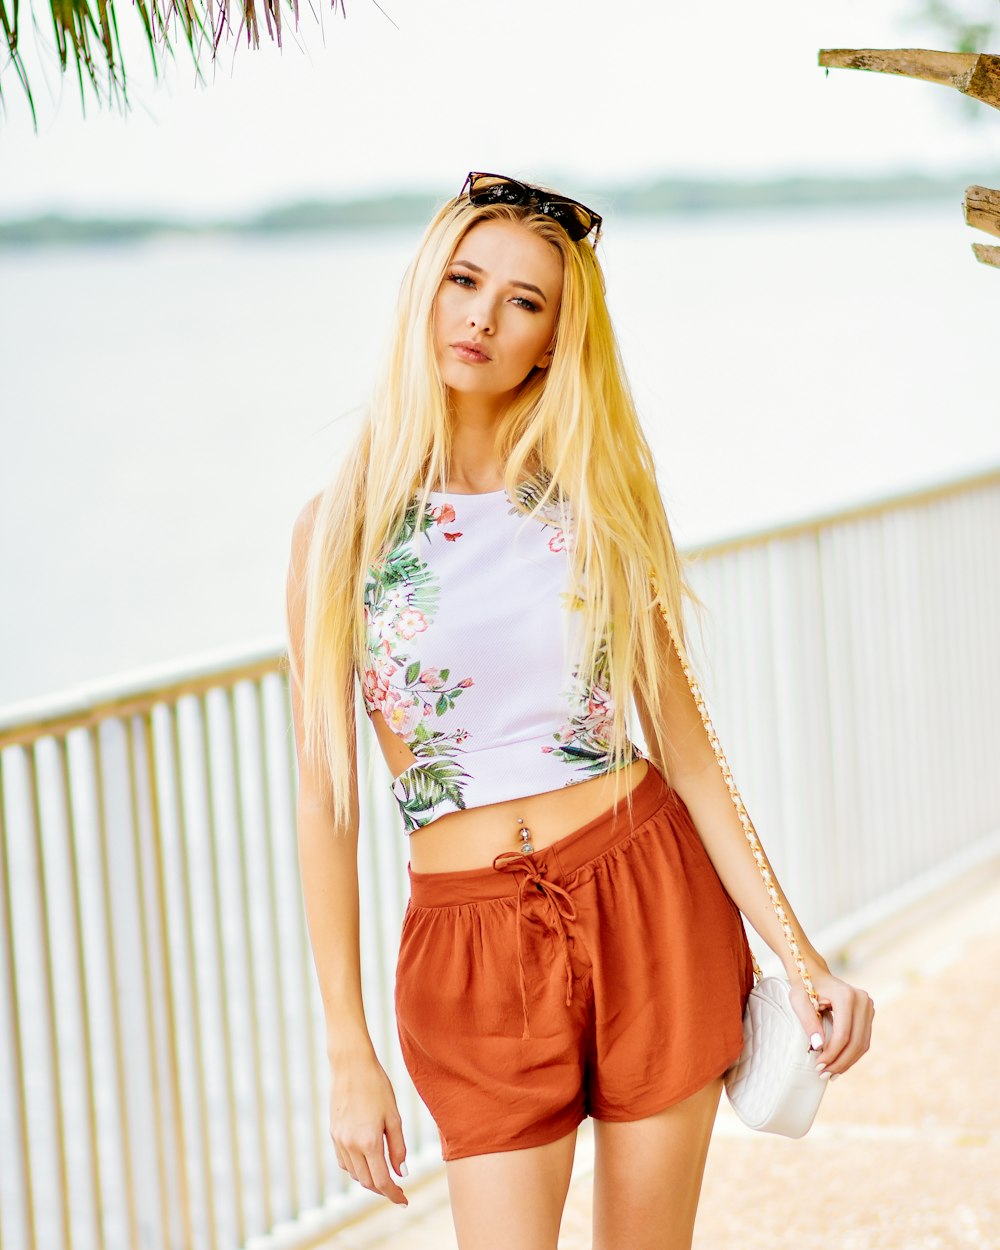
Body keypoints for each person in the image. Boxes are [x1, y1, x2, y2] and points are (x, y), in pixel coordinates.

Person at [284, 171, 875, 1250]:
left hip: (648, 895)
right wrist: (346, 1048)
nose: (482, 315)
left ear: (553, 341)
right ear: (425, 293)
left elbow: (689, 752)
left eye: (523, 300)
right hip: (468, 944)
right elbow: (325, 799)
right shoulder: (341, 530)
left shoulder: (595, 503)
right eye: (464, 281)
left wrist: (801, 955)